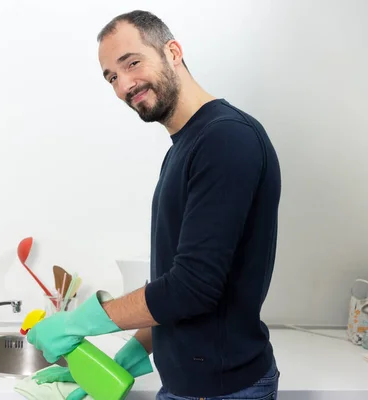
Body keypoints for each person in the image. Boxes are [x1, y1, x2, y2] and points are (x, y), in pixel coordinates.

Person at [27, 9, 282, 400]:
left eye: (132, 63)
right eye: (111, 76)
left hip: (221, 390)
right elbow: (181, 280)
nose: (124, 84)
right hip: (192, 385)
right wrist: (130, 354)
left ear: (173, 52)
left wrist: (79, 323)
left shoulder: (225, 140)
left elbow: (192, 289)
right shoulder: (186, 147)